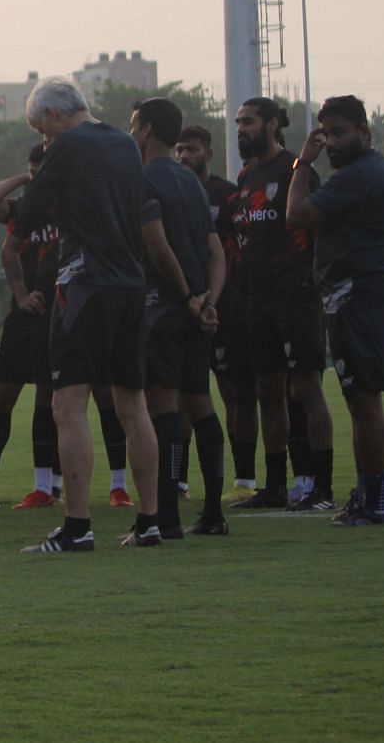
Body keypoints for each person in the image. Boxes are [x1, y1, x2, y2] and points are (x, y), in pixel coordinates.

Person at [0, 76, 160, 553]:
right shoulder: (125, 143)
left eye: (41, 130)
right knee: (133, 404)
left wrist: (8, 211)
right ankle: (150, 519)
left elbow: (31, 212)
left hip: (83, 284)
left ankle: (78, 525)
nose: (43, 140)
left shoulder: (68, 145)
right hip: (129, 284)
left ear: (56, 116)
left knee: (68, 405)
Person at [287, 95, 384, 526]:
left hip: (361, 298)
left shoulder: (360, 174)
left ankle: (376, 500)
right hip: (360, 296)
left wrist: (302, 163)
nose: (331, 142)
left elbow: (296, 213)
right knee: (359, 400)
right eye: (325, 133)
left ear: (365, 133)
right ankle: (370, 496)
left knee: (365, 401)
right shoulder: (371, 172)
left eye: (339, 133)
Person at [226, 97, 336, 512]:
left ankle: (319, 487)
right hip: (257, 298)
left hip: (297, 295)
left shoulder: (297, 170)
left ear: (274, 124)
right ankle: (274, 487)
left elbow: (316, 227)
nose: (241, 129)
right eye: (238, 122)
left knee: (306, 388)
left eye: (249, 121)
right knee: (267, 391)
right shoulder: (246, 175)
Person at [129, 98, 226, 539]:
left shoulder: (143, 178)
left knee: (162, 408)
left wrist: (186, 297)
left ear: (147, 129)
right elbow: (216, 253)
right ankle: (213, 511)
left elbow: (158, 246)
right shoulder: (192, 182)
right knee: (200, 403)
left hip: (163, 309)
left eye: (134, 125)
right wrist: (209, 301)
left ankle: (165, 517)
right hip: (196, 311)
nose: (131, 132)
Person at [0, 145, 63, 510]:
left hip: (59, 312)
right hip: (23, 312)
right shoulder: (24, 209)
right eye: (33, 171)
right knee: (2, 398)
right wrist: (26, 178)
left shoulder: (70, 208)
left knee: (51, 399)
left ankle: (49, 484)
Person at [177, 124, 254, 496]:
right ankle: (178, 478)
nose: (183, 156)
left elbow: (230, 252)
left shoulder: (226, 195)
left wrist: (218, 297)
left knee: (233, 391)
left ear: (208, 153)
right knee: (180, 397)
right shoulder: (172, 192)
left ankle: (243, 477)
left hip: (224, 307)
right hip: (182, 308)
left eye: (191, 149)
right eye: (179, 149)